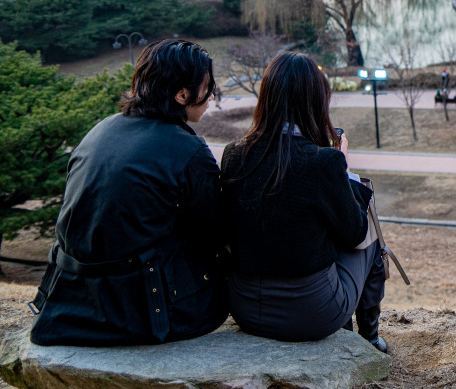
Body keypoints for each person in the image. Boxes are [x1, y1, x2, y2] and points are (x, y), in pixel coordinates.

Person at [30, 39, 228, 346]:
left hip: (72, 300)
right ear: (182, 94)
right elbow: (214, 229)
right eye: (208, 86)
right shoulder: (187, 149)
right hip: (141, 310)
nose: (212, 93)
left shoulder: (101, 129)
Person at [221, 53, 386, 349]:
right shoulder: (324, 162)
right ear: (315, 101)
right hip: (312, 314)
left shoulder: (234, 154)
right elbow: (356, 233)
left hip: (245, 306)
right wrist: (344, 169)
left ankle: (359, 332)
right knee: (370, 230)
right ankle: (370, 337)